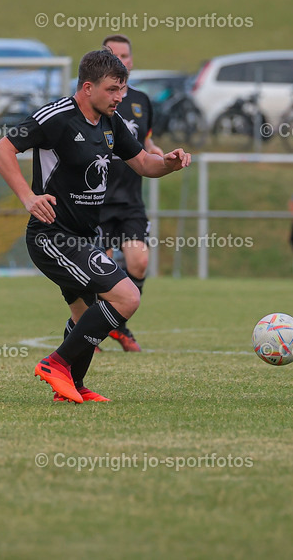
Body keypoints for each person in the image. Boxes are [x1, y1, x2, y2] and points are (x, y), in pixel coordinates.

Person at [0, 49, 190, 404]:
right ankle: (56, 364)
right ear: (87, 87)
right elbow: (0, 150)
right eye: (112, 89)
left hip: (85, 237)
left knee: (85, 312)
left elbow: (144, 163)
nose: (120, 97)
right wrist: (28, 197)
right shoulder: (56, 117)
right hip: (52, 236)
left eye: (122, 89)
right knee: (127, 297)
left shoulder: (111, 122)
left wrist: (169, 163)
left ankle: (73, 387)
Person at [97, 34, 164, 352]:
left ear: (131, 61)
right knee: (102, 271)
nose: (119, 60)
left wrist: (157, 153)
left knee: (138, 261)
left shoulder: (141, 101)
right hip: (96, 201)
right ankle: (89, 331)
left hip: (130, 201)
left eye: (124, 55)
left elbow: (145, 143)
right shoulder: (94, 100)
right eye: (112, 55)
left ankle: (117, 325)